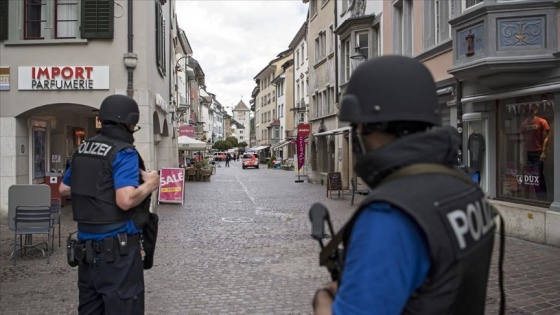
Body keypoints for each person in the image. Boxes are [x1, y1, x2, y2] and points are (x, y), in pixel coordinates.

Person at [312, 56, 496, 315]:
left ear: (366, 127)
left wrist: (323, 299)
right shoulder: (464, 186)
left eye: (355, 126)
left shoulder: (390, 213)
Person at [59, 94, 160, 315]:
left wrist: (99, 186)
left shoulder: (83, 149)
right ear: (129, 123)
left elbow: (64, 189)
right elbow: (125, 200)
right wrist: (150, 184)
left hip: (86, 255)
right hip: (118, 256)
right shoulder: (123, 152)